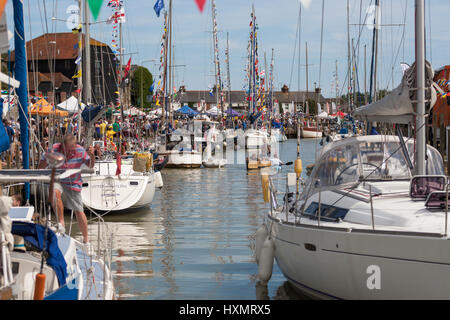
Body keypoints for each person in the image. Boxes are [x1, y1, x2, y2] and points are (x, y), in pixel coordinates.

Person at [38, 134, 95, 247]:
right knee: (55, 193)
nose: (69, 153)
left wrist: (92, 155)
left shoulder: (80, 150)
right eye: (67, 150)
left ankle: (86, 240)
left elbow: (90, 166)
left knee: (79, 210)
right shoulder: (54, 148)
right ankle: (61, 223)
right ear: (62, 146)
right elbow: (40, 167)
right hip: (58, 179)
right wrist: (49, 159)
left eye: (71, 150)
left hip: (73, 182)